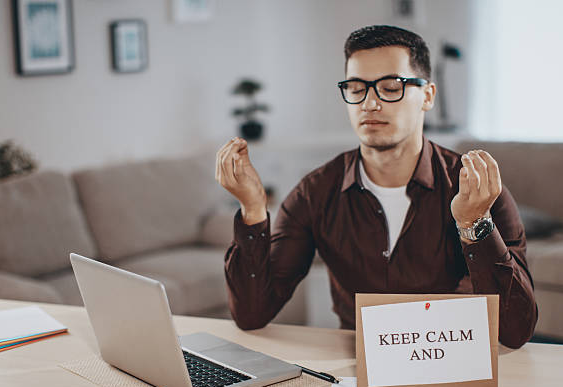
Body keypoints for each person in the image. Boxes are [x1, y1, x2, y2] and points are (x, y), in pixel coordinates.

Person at [215, 25, 537, 349]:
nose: (369, 103)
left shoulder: (475, 190)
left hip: (453, 362)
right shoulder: (315, 193)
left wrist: (473, 224)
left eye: (390, 86)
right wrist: (253, 209)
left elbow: (515, 332)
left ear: (427, 95)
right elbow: (252, 314)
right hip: (357, 372)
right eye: (356, 88)